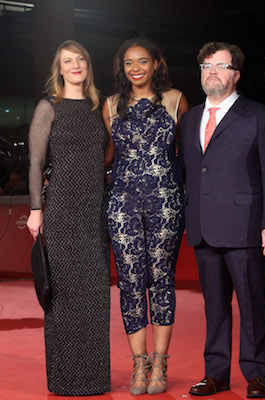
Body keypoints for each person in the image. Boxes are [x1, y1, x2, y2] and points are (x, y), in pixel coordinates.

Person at [180, 41, 265, 398]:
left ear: (236, 75)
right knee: (214, 307)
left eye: (221, 66)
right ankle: (216, 374)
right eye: (206, 66)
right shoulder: (189, 119)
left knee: (254, 305)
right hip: (203, 228)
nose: (212, 72)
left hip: (247, 228)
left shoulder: (259, 116)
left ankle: (257, 374)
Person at [103, 37, 188, 396]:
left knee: (161, 279)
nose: (135, 68)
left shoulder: (175, 100)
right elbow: (107, 156)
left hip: (166, 201)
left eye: (142, 61)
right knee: (130, 282)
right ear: (122, 68)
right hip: (122, 203)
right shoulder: (110, 105)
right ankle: (139, 363)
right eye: (128, 63)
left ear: (156, 64)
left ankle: (160, 361)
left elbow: (190, 153)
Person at [26, 40, 111, 396]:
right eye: (67, 61)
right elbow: (35, 162)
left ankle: (95, 378)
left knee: (95, 296)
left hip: (95, 212)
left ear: (88, 65)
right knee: (62, 295)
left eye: (80, 59)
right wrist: (36, 210)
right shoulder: (49, 107)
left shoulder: (100, 108)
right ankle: (65, 379)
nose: (75, 65)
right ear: (59, 70)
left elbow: (108, 155)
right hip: (61, 210)